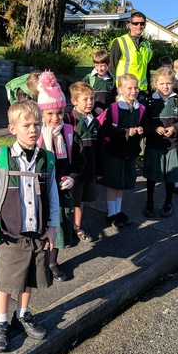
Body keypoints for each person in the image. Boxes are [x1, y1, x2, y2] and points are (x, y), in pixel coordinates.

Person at [0, 100, 59, 353]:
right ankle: (1, 321)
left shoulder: (47, 160)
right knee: (6, 280)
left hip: (37, 233)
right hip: (10, 233)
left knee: (29, 277)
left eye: (37, 124)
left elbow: (53, 196)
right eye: (26, 125)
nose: (33, 129)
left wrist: (52, 227)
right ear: (13, 128)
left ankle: (22, 314)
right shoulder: (3, 158)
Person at [36, 71, 85, 282]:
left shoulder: (70, 132)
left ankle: (53, 261)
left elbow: (80, 160)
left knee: (57, 225)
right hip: (40, 190)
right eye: (50, 114)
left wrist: (72, 177)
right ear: (41, 114)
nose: (55, 118)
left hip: (62, 188)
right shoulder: (36, 134)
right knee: (40, 225)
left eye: (59, 113)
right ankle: (38, 261)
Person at [98, 74, 146, 227]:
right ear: (120, 89)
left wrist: (140, 130)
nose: (134, 91)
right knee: (114, 184)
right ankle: (111, 213)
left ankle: (118, 211)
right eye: (129, 88)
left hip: (130, 152)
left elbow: (146, 126)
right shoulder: (113, 109)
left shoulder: (140, 108)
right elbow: (106, 130)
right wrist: (126, 132)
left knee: (122, 184)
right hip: (114, 152)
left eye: (136, 87)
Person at [142, 68, 178, 218]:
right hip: (154, 144)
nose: (165, 86)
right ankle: (149, 201)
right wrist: (154, 128)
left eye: (168, 83)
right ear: (156, 83)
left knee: (170, 176)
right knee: (151, 176)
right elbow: (144, 121)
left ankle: (168, 202)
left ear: (174, 83)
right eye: (162, 83)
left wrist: (174, 128)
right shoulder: (150, 101)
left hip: (172, 145)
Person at [64, 82, 99, 244]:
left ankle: (77, 226)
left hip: (89, 167)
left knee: (81, 200)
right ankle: (65, 228)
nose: (90, 102)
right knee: (70, 199)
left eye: (91, 98)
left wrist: (100, 167)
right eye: (85, 99)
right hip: (74, 169)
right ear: (74, 101)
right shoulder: (69, 119)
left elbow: (100, 146)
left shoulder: (95, 120)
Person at [109, 11, 154, 99]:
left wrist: (148, 88)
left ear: (145, 25)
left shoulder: (147, 44)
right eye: (135, 23)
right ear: (129, 25)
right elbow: (112, 68)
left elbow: (147, 68)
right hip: (124, 90)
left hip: (141, 90)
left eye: (142, 23)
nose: (139, 26)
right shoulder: (119, 42)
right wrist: (113, 89)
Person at [82, 49, 116, 116]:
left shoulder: (112, 80)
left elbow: (113, 98)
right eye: (96, 65)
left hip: (106, 115)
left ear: (108, 64)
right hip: (91, 114)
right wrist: (94, 107)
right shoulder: (89, 78)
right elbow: (82, 96)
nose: (99, 68)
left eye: (102, 65)